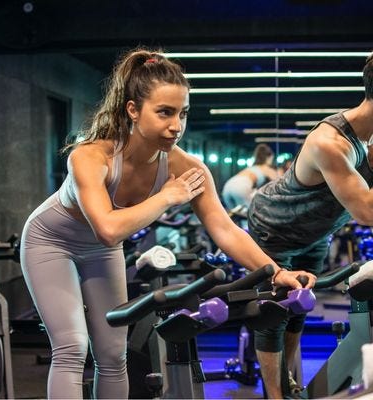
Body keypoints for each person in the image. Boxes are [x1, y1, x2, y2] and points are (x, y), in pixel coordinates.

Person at [19, 47, 316, 399]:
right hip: (50, 241)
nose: (176, 126)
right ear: (133, 110)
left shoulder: (185, 166)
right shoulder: (91, 156)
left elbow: (225, 229)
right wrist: (167, 197)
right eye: (164, 113)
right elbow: (108, 227)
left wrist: (276, 272)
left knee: (114, 354)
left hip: (102, 251)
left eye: (183, 113)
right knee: (71, 346)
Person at [247, 52, 373, 399]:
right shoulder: (330, 142)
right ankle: (274, 395)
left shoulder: (368, 138)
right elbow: (367, 211)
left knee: (301, 307)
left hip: (317, 233)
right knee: (276, 313)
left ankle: (288, 382)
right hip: (275, 225)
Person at [222, 143, 279, 211]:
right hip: (240, 187)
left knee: (235, 216)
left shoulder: (251, 167)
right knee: (251, 215)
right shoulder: (266, 168)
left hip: (227, 187)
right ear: (268, 157)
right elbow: (279, 184)